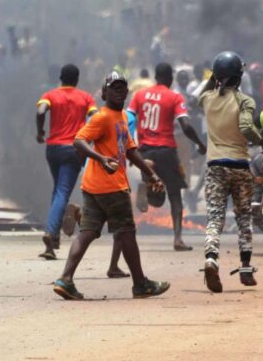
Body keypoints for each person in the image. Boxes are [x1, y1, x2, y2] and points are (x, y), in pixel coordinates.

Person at [52, 71, 170, 301]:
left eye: (122, 88)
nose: (118, 91)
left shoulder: (123, 118)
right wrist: (101, 158)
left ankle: (65, 279)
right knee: (126, 233)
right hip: (110, 186)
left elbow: (131, 150)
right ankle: (140, 284)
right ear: (104, 92)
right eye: (113, 88)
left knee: (87, 232)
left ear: (127, 92)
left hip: (93, 187)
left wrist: (151, 174)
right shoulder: (102, 117)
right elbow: (78, 140)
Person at [199, 52, 263, 293]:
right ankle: (245, 269)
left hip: (215, 166)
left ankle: (211, 259)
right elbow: (245, 127)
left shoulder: (207, 99)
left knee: (215, 217)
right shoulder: (245, 101)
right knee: (243, 218)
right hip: (240, 165)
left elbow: (198, 94)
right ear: (240, 76)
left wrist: (215, 78)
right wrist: (262, 142)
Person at [127, 63, 207, 251]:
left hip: (145, 152)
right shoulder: (174, 97)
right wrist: (200, 144)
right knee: (174, 194)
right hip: (167, 152)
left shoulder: (139, 95)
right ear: (170, 78)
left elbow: (129, 118)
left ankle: (146, 185)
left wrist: (130, 146)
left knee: (155, 195)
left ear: (156, 76)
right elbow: (185, 125)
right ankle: (178, 239)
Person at [35, 64, 97, 260]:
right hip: (73, 149)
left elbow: (40, 111)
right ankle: (50, 231)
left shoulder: (50, 95)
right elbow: (95, 117)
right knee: (62, 191)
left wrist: (40, 132)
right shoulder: (86, 97)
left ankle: (53, 239)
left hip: (52, 148)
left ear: (60, 78)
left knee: (58, 190)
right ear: (77, 79)